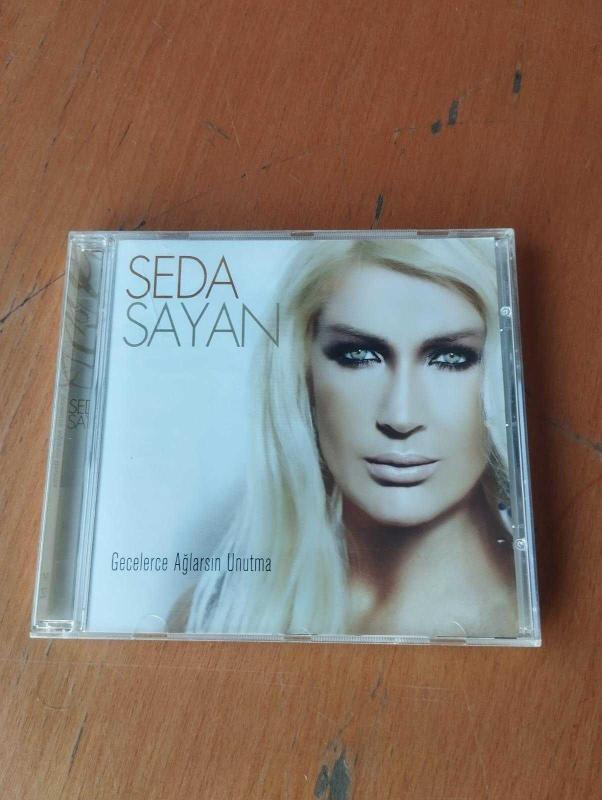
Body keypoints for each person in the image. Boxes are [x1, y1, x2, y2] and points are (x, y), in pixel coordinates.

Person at [184, 238, 518, 638]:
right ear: (302, 372)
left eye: (451, 358)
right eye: (359, 356)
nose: (400, 417)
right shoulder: (216, 617)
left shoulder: (523, 621)